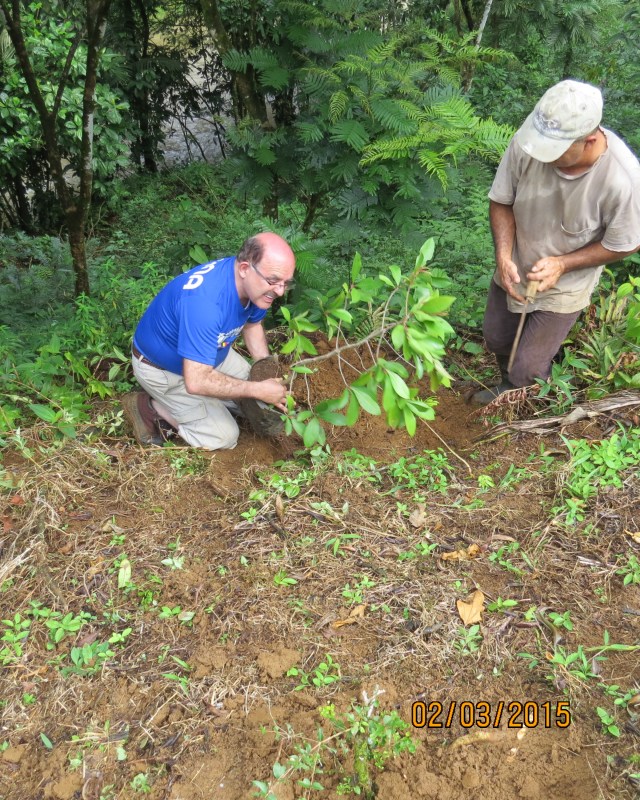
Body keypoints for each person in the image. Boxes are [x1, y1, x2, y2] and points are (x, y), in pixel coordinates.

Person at [472, 79, 640, 404]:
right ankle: (508, 387)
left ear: (589, 140)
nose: (542, 155)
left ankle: (531, 402)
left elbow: (625, 243)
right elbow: (502, 201)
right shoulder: (529, 143)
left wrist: (563, 264)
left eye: (555, 150)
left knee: (529, 368)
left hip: (567, 282)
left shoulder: (624, 180)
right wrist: (503, 255)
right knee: (497, 337)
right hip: (516, 264)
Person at [121, 231, 295, 449]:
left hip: (212, 354)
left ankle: (211, 404)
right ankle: (149, 408)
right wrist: (257, 389)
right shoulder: (205, 303)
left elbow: (252, 325)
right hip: (165, 370)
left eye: (286, 283)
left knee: (256, 405)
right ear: (244, 268)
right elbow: (197, 380)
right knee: (224, 436)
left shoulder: (255, 288)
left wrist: (265, 373)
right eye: (273, 281)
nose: (280, 291)